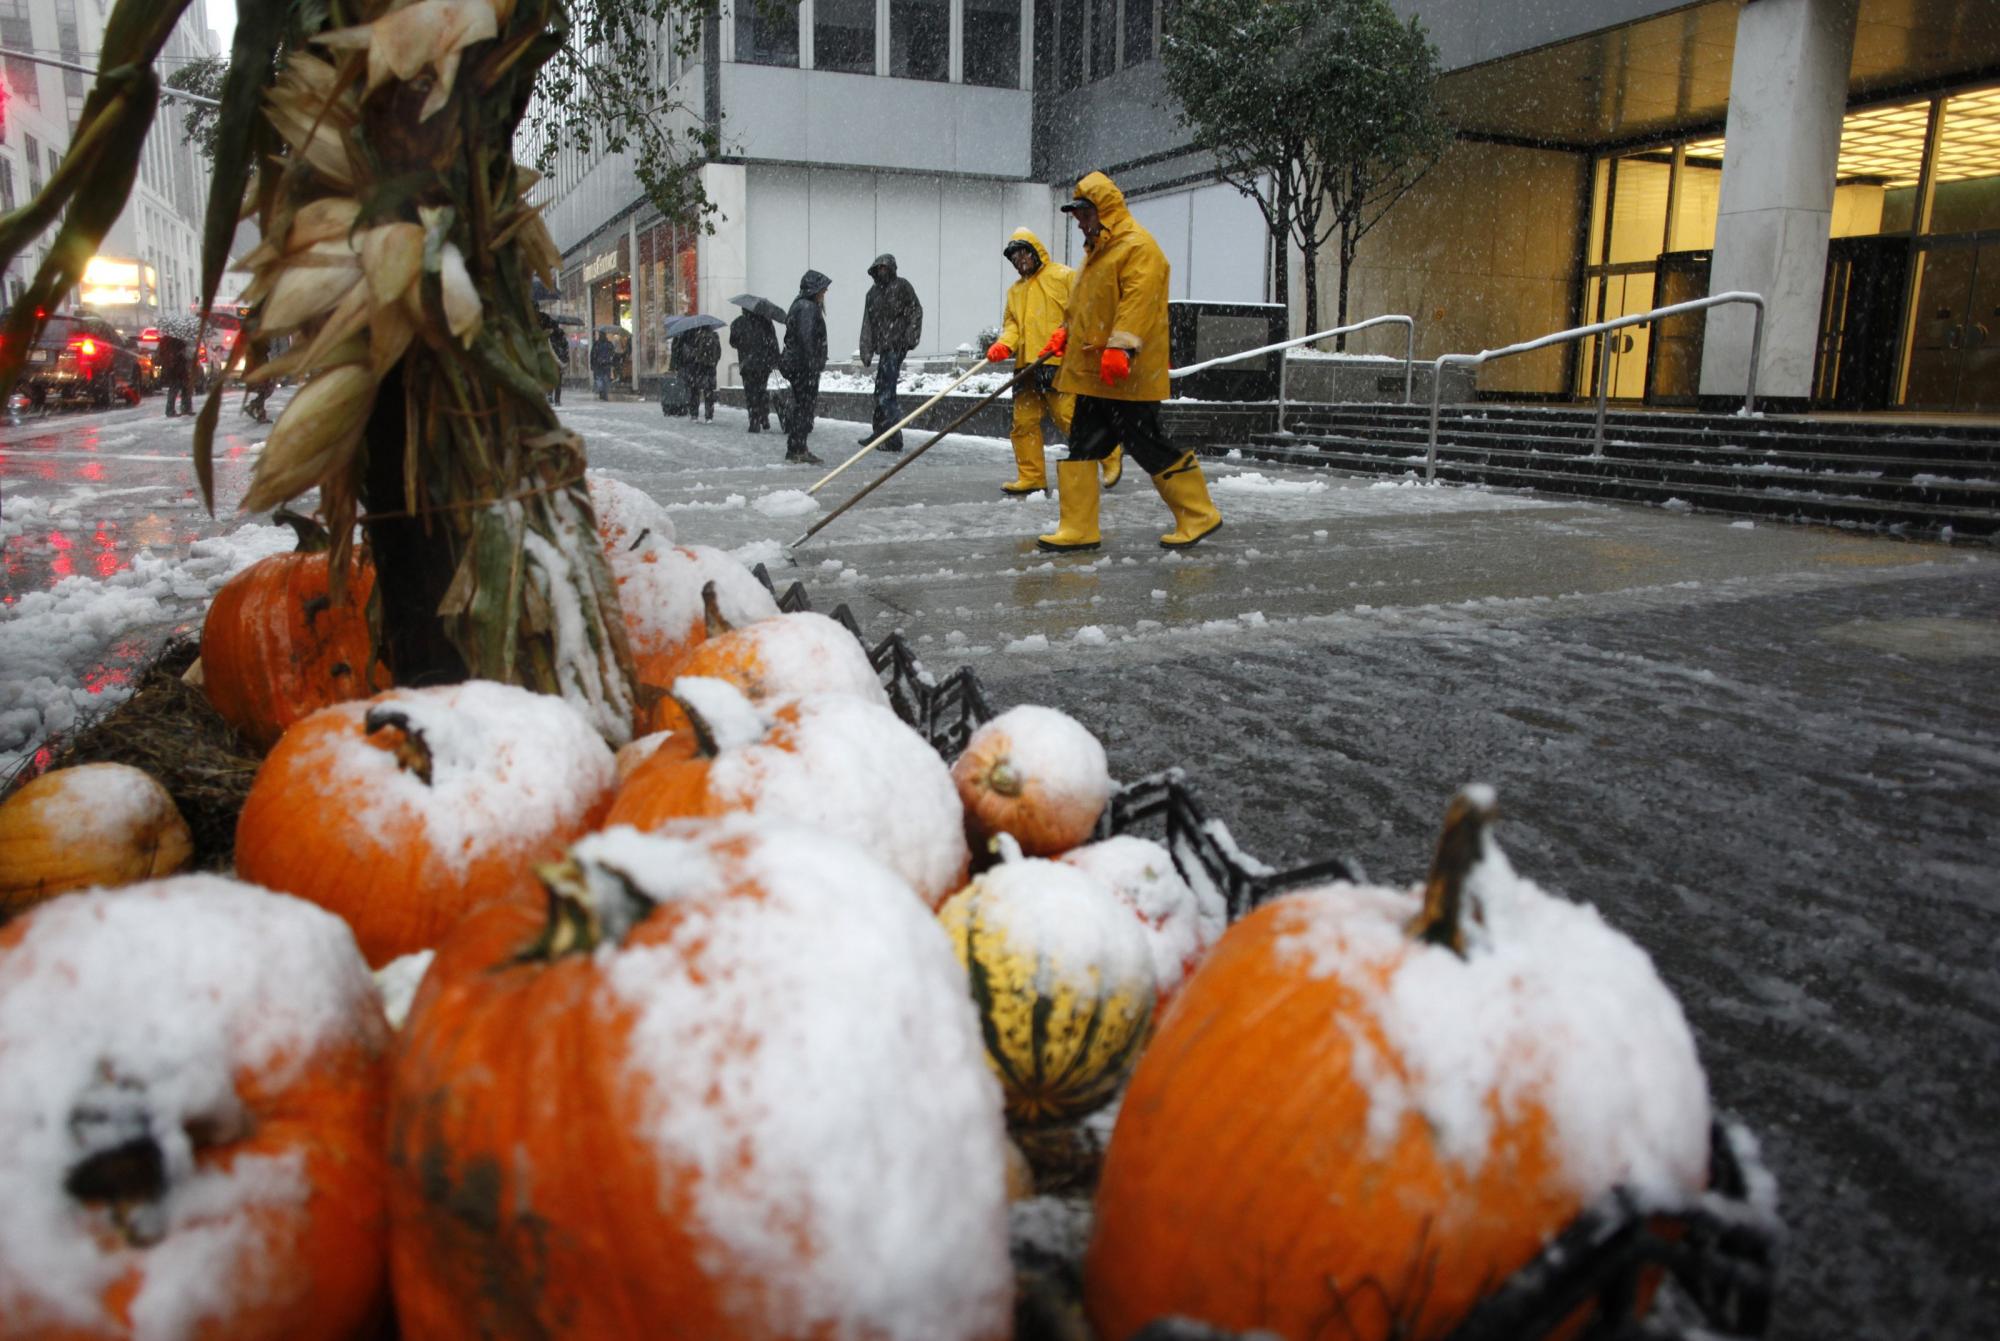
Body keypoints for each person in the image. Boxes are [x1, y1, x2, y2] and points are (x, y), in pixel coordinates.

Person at [1036, 171, 1223, 553]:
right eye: (1076, 216)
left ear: (1104, 211)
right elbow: (1086, 306)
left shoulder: (1137, 247)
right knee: (1082, 446)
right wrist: (1065, 331)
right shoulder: (1097, 254)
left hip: (1127, 373)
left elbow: (1139, 301)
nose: (1080, 223)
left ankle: (1198, 513)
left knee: (1147, 442)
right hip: (1093, 371)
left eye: (1085, 214)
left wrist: (1122, 348)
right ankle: (1078, 527)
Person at [985, 227, 1123, 497]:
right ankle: (1031, 476)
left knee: (1069, 417)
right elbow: (1013, 324)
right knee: (1023, 423)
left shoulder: (1063, 276)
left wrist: (1070, 332)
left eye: (1023, 253)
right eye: (1013, 258)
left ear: (1035, 251)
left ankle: (1109, 453)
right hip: (1027, 367)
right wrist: (1004, 344)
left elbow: (1086, 306)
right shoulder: (1015, 291)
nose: (1019, 261)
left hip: (1057, 360)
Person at [857, 254, 923, 453]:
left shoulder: (902, 287)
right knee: (880, 393)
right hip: (884, 348)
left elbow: (916, 311)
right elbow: (867, 322)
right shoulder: (873, 293)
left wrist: (909, 339)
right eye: (879, 269)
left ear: (892, 269)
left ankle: (893, 438)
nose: (882, 271)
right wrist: (866, 349)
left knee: (886, 396)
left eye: (885, 268)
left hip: (895, 347)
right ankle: (880, 433)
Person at [780, 269, 832, 465]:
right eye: (823, 290)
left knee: (801, 406)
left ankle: (797, 447)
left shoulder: (800, 305)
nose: (824, 293)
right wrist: (813, 363)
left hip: (800, 365)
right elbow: (807, 338)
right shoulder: (807, 308)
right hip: (804, 367)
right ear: (814, 289)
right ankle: (798, 448)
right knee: (804, 407)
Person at [730, 303, 781, 434]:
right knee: (761, 390)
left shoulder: (738, 323)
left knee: (750, 393)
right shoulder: (766, 322)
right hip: (763, 364)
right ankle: (764, 417)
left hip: (746, 364)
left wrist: (744, 344)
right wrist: (775, 359)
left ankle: (754, 422)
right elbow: (773, 342)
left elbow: (733, 342)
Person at [677, 324, 721, 421]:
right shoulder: (715, 337)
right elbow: (718, 354)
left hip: (698, 368)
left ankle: (694, 415)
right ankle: (709, 416)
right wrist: (713, 363)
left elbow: (693, 354)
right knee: (709, 392)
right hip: (710, 368)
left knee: (695, 391)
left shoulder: (697, 337)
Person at [156, 329, 194, 418]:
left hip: (172, 368)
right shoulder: (177, 341)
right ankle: (181, 409)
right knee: (181, 388)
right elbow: (184, 354)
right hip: (177, 368)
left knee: (177, 389)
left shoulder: (164, 341)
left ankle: (175, 409)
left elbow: (160, 355)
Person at [541, 313, 568, 405]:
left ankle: (550, 396)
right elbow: (565, 348)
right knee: (558, 381)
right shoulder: (561, 335)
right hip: (559, 360)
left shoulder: (549, 335)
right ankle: (557, 400)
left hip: (551, 361)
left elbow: (549, 349)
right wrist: (564, 359)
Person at [590, 331, 615, 400]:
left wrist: (592, 364)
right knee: (605, 379)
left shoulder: (597, 344)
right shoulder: (609, 344)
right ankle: (604, 392)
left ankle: (602, 391)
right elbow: (613, 353)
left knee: (600, 379)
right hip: (606, 364)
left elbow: (592, 355)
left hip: (599, 364)